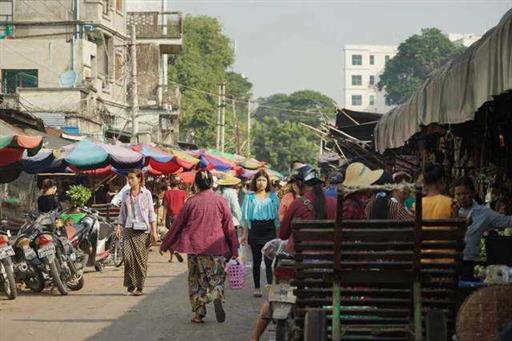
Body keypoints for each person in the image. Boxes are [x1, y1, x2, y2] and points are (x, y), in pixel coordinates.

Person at [251, 165, 336, 341]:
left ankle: (254, 339)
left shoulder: (298, 203)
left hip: (299, 266)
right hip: (328, 267)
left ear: (299, 185)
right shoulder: (334, 204)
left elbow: (282, 234)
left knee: (274, 298)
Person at [160, 170, 239, 324]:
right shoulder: (221, 201)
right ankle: (215, 293)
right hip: (216, 248)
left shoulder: (191, 202)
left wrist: (166, 244)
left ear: (196, 184)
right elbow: (229, 227)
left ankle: (199, 313)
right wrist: (234, 249)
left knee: (195, 281)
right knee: (216, 278)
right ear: (212, 183)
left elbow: (177, 225)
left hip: (194, 248)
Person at [453, 176, 512, 280]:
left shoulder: (483, 213)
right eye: (458, 194)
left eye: (465, 193)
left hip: (468, 260)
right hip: (450, 259)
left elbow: (506, 221)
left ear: (472, 193)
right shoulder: (450, 209)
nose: (462, 197)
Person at [116, 169, 158, 296]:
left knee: (140, 260)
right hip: (129, 228)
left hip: (143, 231)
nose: (129, 181)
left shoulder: (146, 194)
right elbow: (122, 212)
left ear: (139, 179)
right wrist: (118, 226)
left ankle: (139, 286)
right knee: (128, 258)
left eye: (132, 178)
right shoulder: (125, 194)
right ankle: (130, 284)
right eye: (128, 178)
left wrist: (154, 232)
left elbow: (151, 213)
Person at [241, 170, 280, 297]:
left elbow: (277, 218)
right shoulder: (249, 197)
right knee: (256, 261)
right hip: (255, 231)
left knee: (269, 261)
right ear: (255, 182)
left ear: (268, 182)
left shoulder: (274, 197)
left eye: (264, 180)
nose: (261, 182)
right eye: (258, 180)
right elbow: (245, 218)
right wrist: (244, 234)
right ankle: (257, 287)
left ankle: (269, 287)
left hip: (270, 231)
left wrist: (279, 236)